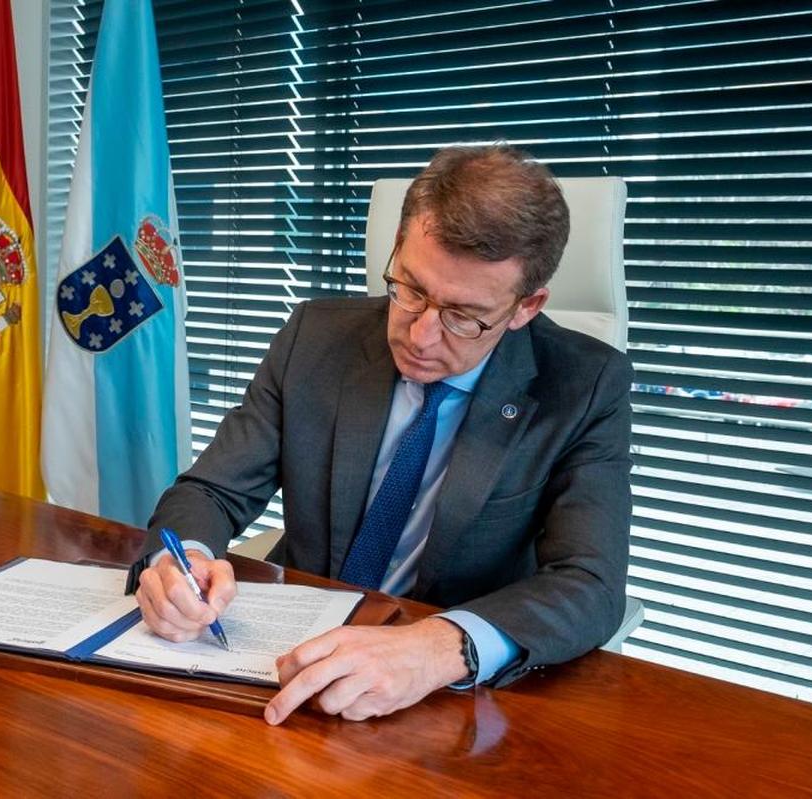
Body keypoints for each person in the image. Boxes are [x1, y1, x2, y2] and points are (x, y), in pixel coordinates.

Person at [132, 143, 633, 725]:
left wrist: (440, 646)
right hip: (288, 650)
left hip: (441, 701)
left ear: (526, 307)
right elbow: (211, 491)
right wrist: (182, 563)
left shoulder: (585, 384)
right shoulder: (315, 337)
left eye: (463, 316)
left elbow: (590, 582)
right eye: (411, 289)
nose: (420, 336)